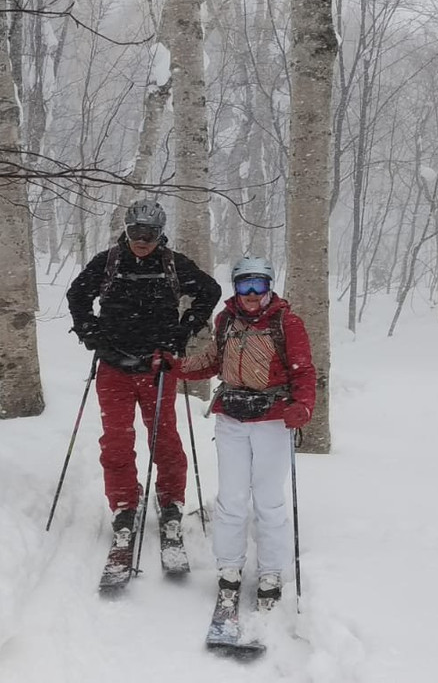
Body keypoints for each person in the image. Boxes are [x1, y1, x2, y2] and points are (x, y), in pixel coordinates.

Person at [67, 199, 221, 550]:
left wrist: (184, 332)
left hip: (157, 368)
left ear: (160, 233)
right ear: (126, 229)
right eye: (136, 230)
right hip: (113, 367)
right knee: (117, 441)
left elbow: (209, 291)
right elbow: (77, 295)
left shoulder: (172, 264)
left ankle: (171, 502)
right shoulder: (108, 262)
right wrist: (91, 334)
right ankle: (123, 504)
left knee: (164, 439)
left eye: (149, 232)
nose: (142, 239)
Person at [173, 256, 316, 611]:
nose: (252, 294)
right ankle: (229, 568)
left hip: (272, 419)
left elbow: (304, 372)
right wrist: (176, 367)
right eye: (244, 285)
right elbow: (211, 361)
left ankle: (270, 571)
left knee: (268, 499)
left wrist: (303, 406)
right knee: (232, 499)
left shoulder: (287, 323)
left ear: (269, 287)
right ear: (235, 287)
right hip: (231, 419)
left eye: (259, 285)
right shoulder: (226, 321)